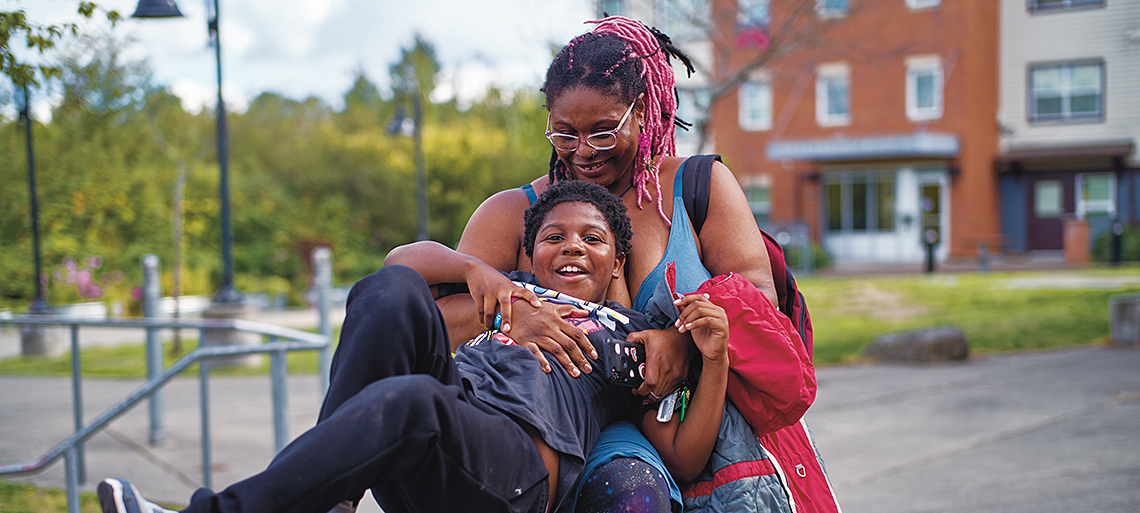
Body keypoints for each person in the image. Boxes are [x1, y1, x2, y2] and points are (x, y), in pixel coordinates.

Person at [97, 180, 731, 513]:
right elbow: (402, 260)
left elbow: (681, 453)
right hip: (450, 417)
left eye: (591, 238)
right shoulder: (510, 291)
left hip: (514, 473)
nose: (571, 246)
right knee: (393, 290)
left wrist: (714, 361)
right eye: (554, 236)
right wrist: (486, 279)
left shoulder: (630, 335)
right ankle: (334, 506)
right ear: (530, 254)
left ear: (618, 257)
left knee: (411, 401)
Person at [412, 15, 804, 513]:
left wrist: (683, 345)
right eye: (564, 134)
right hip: (545, 423)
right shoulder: (511, 212)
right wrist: (517, 315)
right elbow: (430, 321)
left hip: (691, 442)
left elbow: (759, 308)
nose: (582, 153)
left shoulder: (700, 188)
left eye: (602, 132)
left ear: (642, 112)